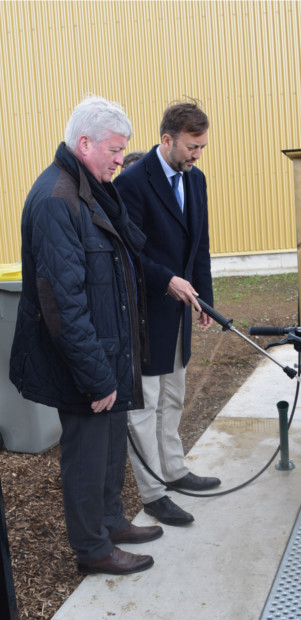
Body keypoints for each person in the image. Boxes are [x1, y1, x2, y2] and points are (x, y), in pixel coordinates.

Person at [9, 95, 162, 576]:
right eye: (116, 150)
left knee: (110, 446)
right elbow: (62, 303)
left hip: (106, 351)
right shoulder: (58, 200)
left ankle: (112, 520)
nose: (122, 160)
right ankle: (94, 549)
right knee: (86, 456)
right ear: (84, 143)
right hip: (83, 362)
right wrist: (98, 376)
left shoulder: (89, 189)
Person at [114, 99, 221, 527]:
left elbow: (200, 247)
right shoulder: (132, 184)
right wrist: (167, 281)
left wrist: (204, 298)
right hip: (144, 314)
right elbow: (130, 253)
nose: (197, 155)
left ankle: (174, 470)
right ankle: (154, 491)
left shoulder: (196, 181)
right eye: (192, 147)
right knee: (145, 405)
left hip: (180, 312)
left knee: (173, 396)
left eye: (202, 147)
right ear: (167, 140)